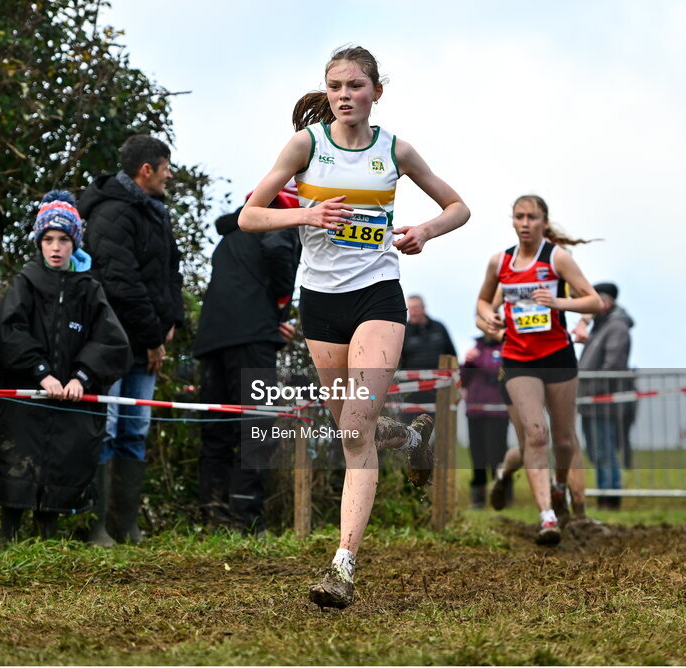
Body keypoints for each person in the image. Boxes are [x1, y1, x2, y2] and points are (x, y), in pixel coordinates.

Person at [239, 45, 471, 608]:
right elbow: (248, 216)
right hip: (319, 303)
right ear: (327, 92)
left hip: (377, 297)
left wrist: (427, 232)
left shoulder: (395, 149)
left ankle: (342, 567)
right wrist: (305, 214)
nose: (345, 95)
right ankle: (413, 435)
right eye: (335, 85)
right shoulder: (306, 145)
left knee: (353, 432)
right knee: (354, 429)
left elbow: (459, 206)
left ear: (376, 92)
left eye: (355, 86)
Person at [0, 191, 131, 544]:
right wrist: (40, 372)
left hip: (70, 400)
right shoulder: (25, 282)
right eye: (48, 239)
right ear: (38, 242)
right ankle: (10, 539)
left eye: (64, 240)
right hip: (27, 397)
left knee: (62, 461)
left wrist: (82, 376)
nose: (55, 247)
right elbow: (7, 331)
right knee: (17, 460)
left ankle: (47, 538)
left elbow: (112, 341)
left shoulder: (89, 289)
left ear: (74, 243)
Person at [476, 195, 603, 546]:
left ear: (544, 222)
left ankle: (560, 487)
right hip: (518, 360)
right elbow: (482, 303)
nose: (526, 223)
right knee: (535, 435)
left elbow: (595, 301)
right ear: (512, 221)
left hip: (558, 356)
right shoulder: (500, 262)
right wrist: (489, 320)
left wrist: (558, 302)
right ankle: (547, 516)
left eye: (532, 217)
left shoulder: (557, 258)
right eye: (519, 216)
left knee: (564, 441)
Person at [78, 135, 184, 545]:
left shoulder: (156, 211)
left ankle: (125, 525)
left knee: (135, 429)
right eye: (165, 168)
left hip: (146, 339)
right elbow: (120, 283)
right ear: (147, 170)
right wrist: (153, 336)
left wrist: (170, 320)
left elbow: (170, 271)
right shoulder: (110, 213)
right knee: (105, 427)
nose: (169, 175)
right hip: (112, 342)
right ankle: (96, 525)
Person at [192, 185, 301, 533]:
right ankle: (247, 518)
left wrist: (271, 324)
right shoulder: (277, 223)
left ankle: (213, 513)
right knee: (258, 427)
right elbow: (277, 257)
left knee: (217, 428)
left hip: (212, 339)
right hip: (251, 339)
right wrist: (280, 311)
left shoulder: (231, 234)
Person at [572, 282, 633, 510]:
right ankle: (606, 494)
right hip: (592, 402)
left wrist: (591, 390)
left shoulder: (616, 327)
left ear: (606, 302)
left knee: (604, 451)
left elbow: (612, 366)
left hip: (604, 402)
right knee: (597, 451)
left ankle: (609, 498)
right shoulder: (600, 326)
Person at [460, 330, 509, 509]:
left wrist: (476, 360)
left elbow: (498, 370)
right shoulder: (477, 347)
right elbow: (463, 380)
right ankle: (479, 497)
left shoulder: (505, 347)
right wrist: (467, 362)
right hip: (474, 410)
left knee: (497, 454)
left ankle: (502, 493)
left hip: (497, 411)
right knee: (477, 456)